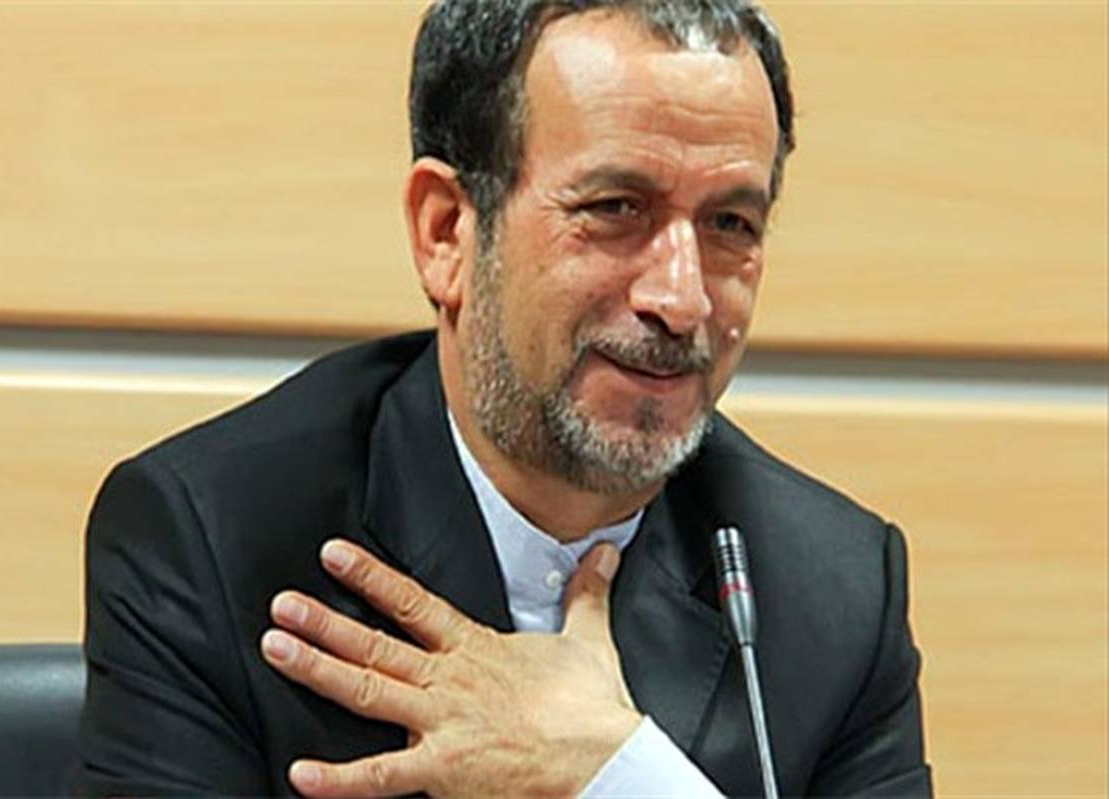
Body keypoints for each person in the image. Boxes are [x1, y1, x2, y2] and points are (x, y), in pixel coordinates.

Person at [77, 1, 932, 796]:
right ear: (446, 232)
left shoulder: (836, 591)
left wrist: (619, 775)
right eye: (616, 208)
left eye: (730, 226)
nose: (682, 299)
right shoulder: (214, 536)